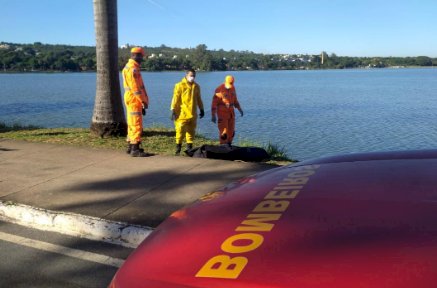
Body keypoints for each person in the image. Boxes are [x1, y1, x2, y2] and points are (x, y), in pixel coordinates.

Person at [122, 47, 149, 157]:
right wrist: (143, 101)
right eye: (141, 56)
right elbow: (136, 88)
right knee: (136, 123)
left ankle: (130, 146)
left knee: (131, 122)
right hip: (134, 99)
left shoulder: (129, 67)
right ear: (136, 56)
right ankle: (135, 149)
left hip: (131, 98)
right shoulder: (133, 69)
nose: (142, 59)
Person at [170, 69, 205, 155]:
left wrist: (201, 109)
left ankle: (189, 150)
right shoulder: (179, 85)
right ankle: (178, 149)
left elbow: (199, 99)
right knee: (180, 131)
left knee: (191, 131)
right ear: (186, 75)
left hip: (193, 114)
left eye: (194, 76)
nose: (192, 77)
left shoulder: (196, 86)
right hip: (182, 114)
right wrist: (173, 110)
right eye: (191, 75)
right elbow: (175, 98)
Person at [211, 75, 243, 146]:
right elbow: (214, 104)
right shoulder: (219, 90)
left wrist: (239, 109)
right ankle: (223, 145)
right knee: (224, 132)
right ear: (225, 82)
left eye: (231, 84)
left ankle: (229, 144)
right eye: (229, 83)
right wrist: (213, 115)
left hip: (231, 113)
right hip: (222, 114)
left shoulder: (232, 88)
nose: (230, 85)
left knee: (231, 131)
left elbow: (235, 100)